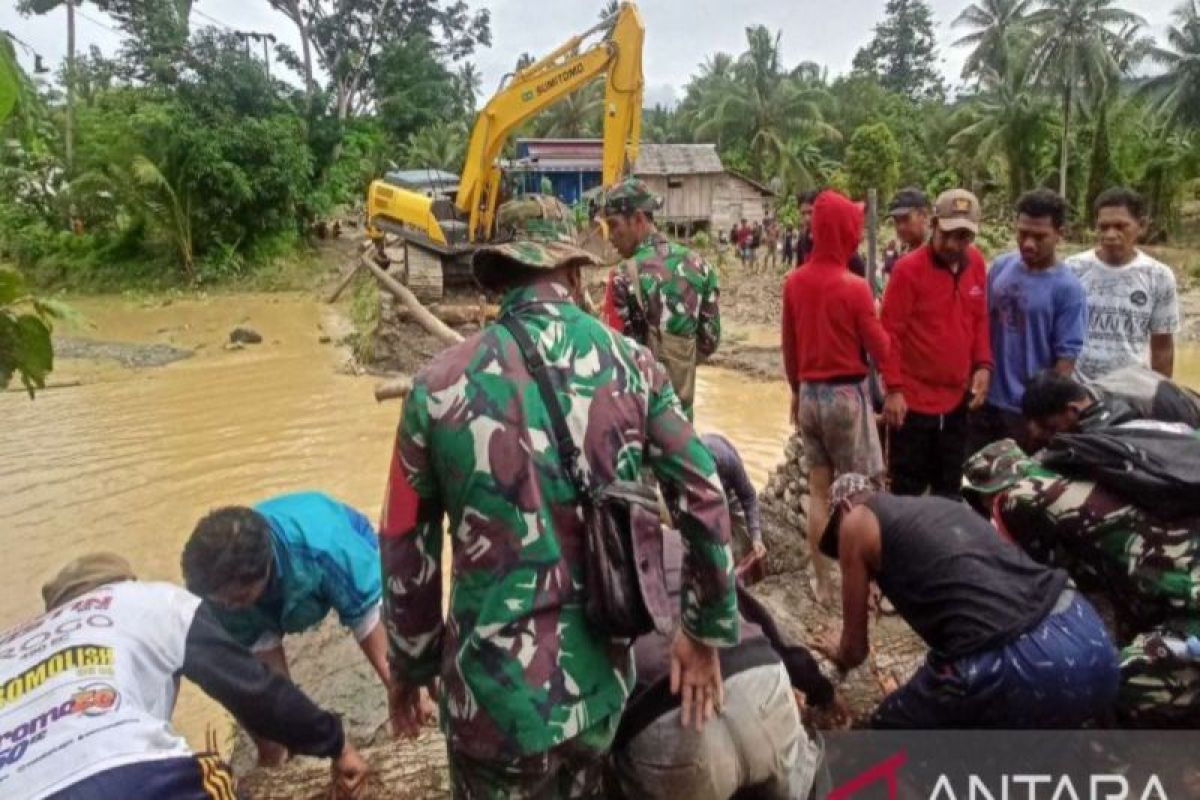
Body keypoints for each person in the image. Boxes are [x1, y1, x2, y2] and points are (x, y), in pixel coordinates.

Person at [380, 195, 738, 799]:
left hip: (491, 701)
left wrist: (410, 668)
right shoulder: (635, 366)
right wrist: (704, 633)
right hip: (598, 687)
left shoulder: (434, 388)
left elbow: (402, 546)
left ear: (499, 278)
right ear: (573, 273)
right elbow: (705, 495)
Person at [0, 553, 367, 799]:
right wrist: (335, 744)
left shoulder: (10, 647)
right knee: (215, 777)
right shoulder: (148, 601)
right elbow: (254, 690)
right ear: (124, 581)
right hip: (128, 777)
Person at [815, 474, 1120, 728]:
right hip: (1090, 637)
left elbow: (855, 650)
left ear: (844, 508)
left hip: (1023, 659)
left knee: (888, 728)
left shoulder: (854, 522)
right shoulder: (939, 508)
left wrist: (839, 653)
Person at [963, 440, 1200, 727]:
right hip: (1173, 585)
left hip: (1186, 601)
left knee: (1104, 685)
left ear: (988, 491)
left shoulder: (1018, 497)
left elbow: (1018, 582)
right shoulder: (1068, 476)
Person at [611, 529, 825, 800]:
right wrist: (821, 690)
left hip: (671, 727)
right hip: (760, 684)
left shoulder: (572, 577)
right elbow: (767, 627)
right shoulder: (680, 541)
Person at [181, 491, 387, 766]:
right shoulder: (222, 595)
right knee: (273, 735)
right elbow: (260, 684)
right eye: (223, 602)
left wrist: (403, 693)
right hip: (266, 596)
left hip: (341, 543)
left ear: (264, 570)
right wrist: (272, 743)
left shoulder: (324, 548)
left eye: (238, 598)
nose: (229, 607)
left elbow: (370, 621)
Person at [781, 189, 893, 604]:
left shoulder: (794, 282)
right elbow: (879, 347)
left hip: (809, 396)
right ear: (846, 231)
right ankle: (866, 584)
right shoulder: (856, 287)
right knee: (863, 494)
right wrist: (897, 381)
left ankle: (822, 583)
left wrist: (796, 391)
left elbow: (789, 347)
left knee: (819, 491)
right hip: (847, 396)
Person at [880, 189, 992, 498]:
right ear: (933, 224)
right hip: (912, 403)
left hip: (957, 399)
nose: (956, 245)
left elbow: (979, 318)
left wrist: (983, 364)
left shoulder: (977, 264)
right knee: (907, 489)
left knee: (949, 487)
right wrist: (893, 389)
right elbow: (890, 333)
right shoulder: (907, 270)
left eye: (964, 237)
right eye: (949, 235)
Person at [967, 189, 1087, 454]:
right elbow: (980, 324)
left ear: (1059, 234)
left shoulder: (1068, 289)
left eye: (1039, 236)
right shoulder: (1000, 267)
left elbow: (1065, 361)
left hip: (1025, 412)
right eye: (1022, 234)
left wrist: (1042, 417)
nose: (1028, 243)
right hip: (985, 400)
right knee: (973, 480)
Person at [607, 177, 721, 419]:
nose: (610, 237)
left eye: (614, 225)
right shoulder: (701, 266)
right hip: (682, 419)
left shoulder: (622, 276)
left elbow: (614, 356)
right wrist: (677, 361)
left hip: (638, 419)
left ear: (638, 219)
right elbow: (710, 340)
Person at [1066, 187, 1180, 381]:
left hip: (1132, 391)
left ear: (1141, 225)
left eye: (1120, 226)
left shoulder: (1159, 276)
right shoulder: (1072, 269)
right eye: (1104, 227)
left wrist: (1160, 396)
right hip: (1079, 392)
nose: (1110, 234)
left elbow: (1162, 347)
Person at [1021, 366, 1200, 449]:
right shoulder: (1085, 396)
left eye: (1051, 428)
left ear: (1073, 410)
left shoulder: (1143, 407)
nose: (1051, 437)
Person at [701, 432, 766, 561]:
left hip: (725, 479)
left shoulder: (729, 463)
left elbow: (749, 497)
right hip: (700, 485)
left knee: (739, 541)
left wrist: (756, 536)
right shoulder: (691, 467)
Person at [795, 189, 867, 277]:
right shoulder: (802, 242)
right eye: (803, 213)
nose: (807, 218)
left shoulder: (836, 243)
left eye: (810, 212)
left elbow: (858, 268)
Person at [883, 187, 931, 277]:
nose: (901, 227)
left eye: (906, 219)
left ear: (924, 215)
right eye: (897, 221)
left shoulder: (939, 255)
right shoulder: (903, 256)